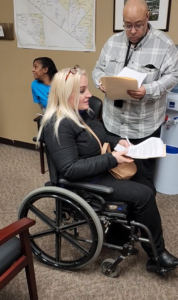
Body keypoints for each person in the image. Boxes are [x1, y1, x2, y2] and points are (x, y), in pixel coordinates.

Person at [37, 65, 178, 271]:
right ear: (67, 94)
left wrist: (118, 141)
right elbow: (70, 169)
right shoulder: (58, 125)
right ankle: (157, 256)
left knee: (147, 184)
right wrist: (112, 158)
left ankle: (119, 233)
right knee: (143, 195)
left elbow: (99, 137)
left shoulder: (82, 113)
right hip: (85, 181)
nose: (90, 95)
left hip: (98, 170)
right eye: (83, 90)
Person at [92, 0, 178, 184]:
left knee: (142, 178)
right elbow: (97, 69)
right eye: (128, 25)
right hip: (113, 123)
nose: (132, 31)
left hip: (143, 126)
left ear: (148, 17)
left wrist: (148, 90)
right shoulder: (113, 41)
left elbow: (173, 77)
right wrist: (101, 82)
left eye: (138, 25)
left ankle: (141, 210)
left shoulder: (164, 44)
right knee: (113, 172)